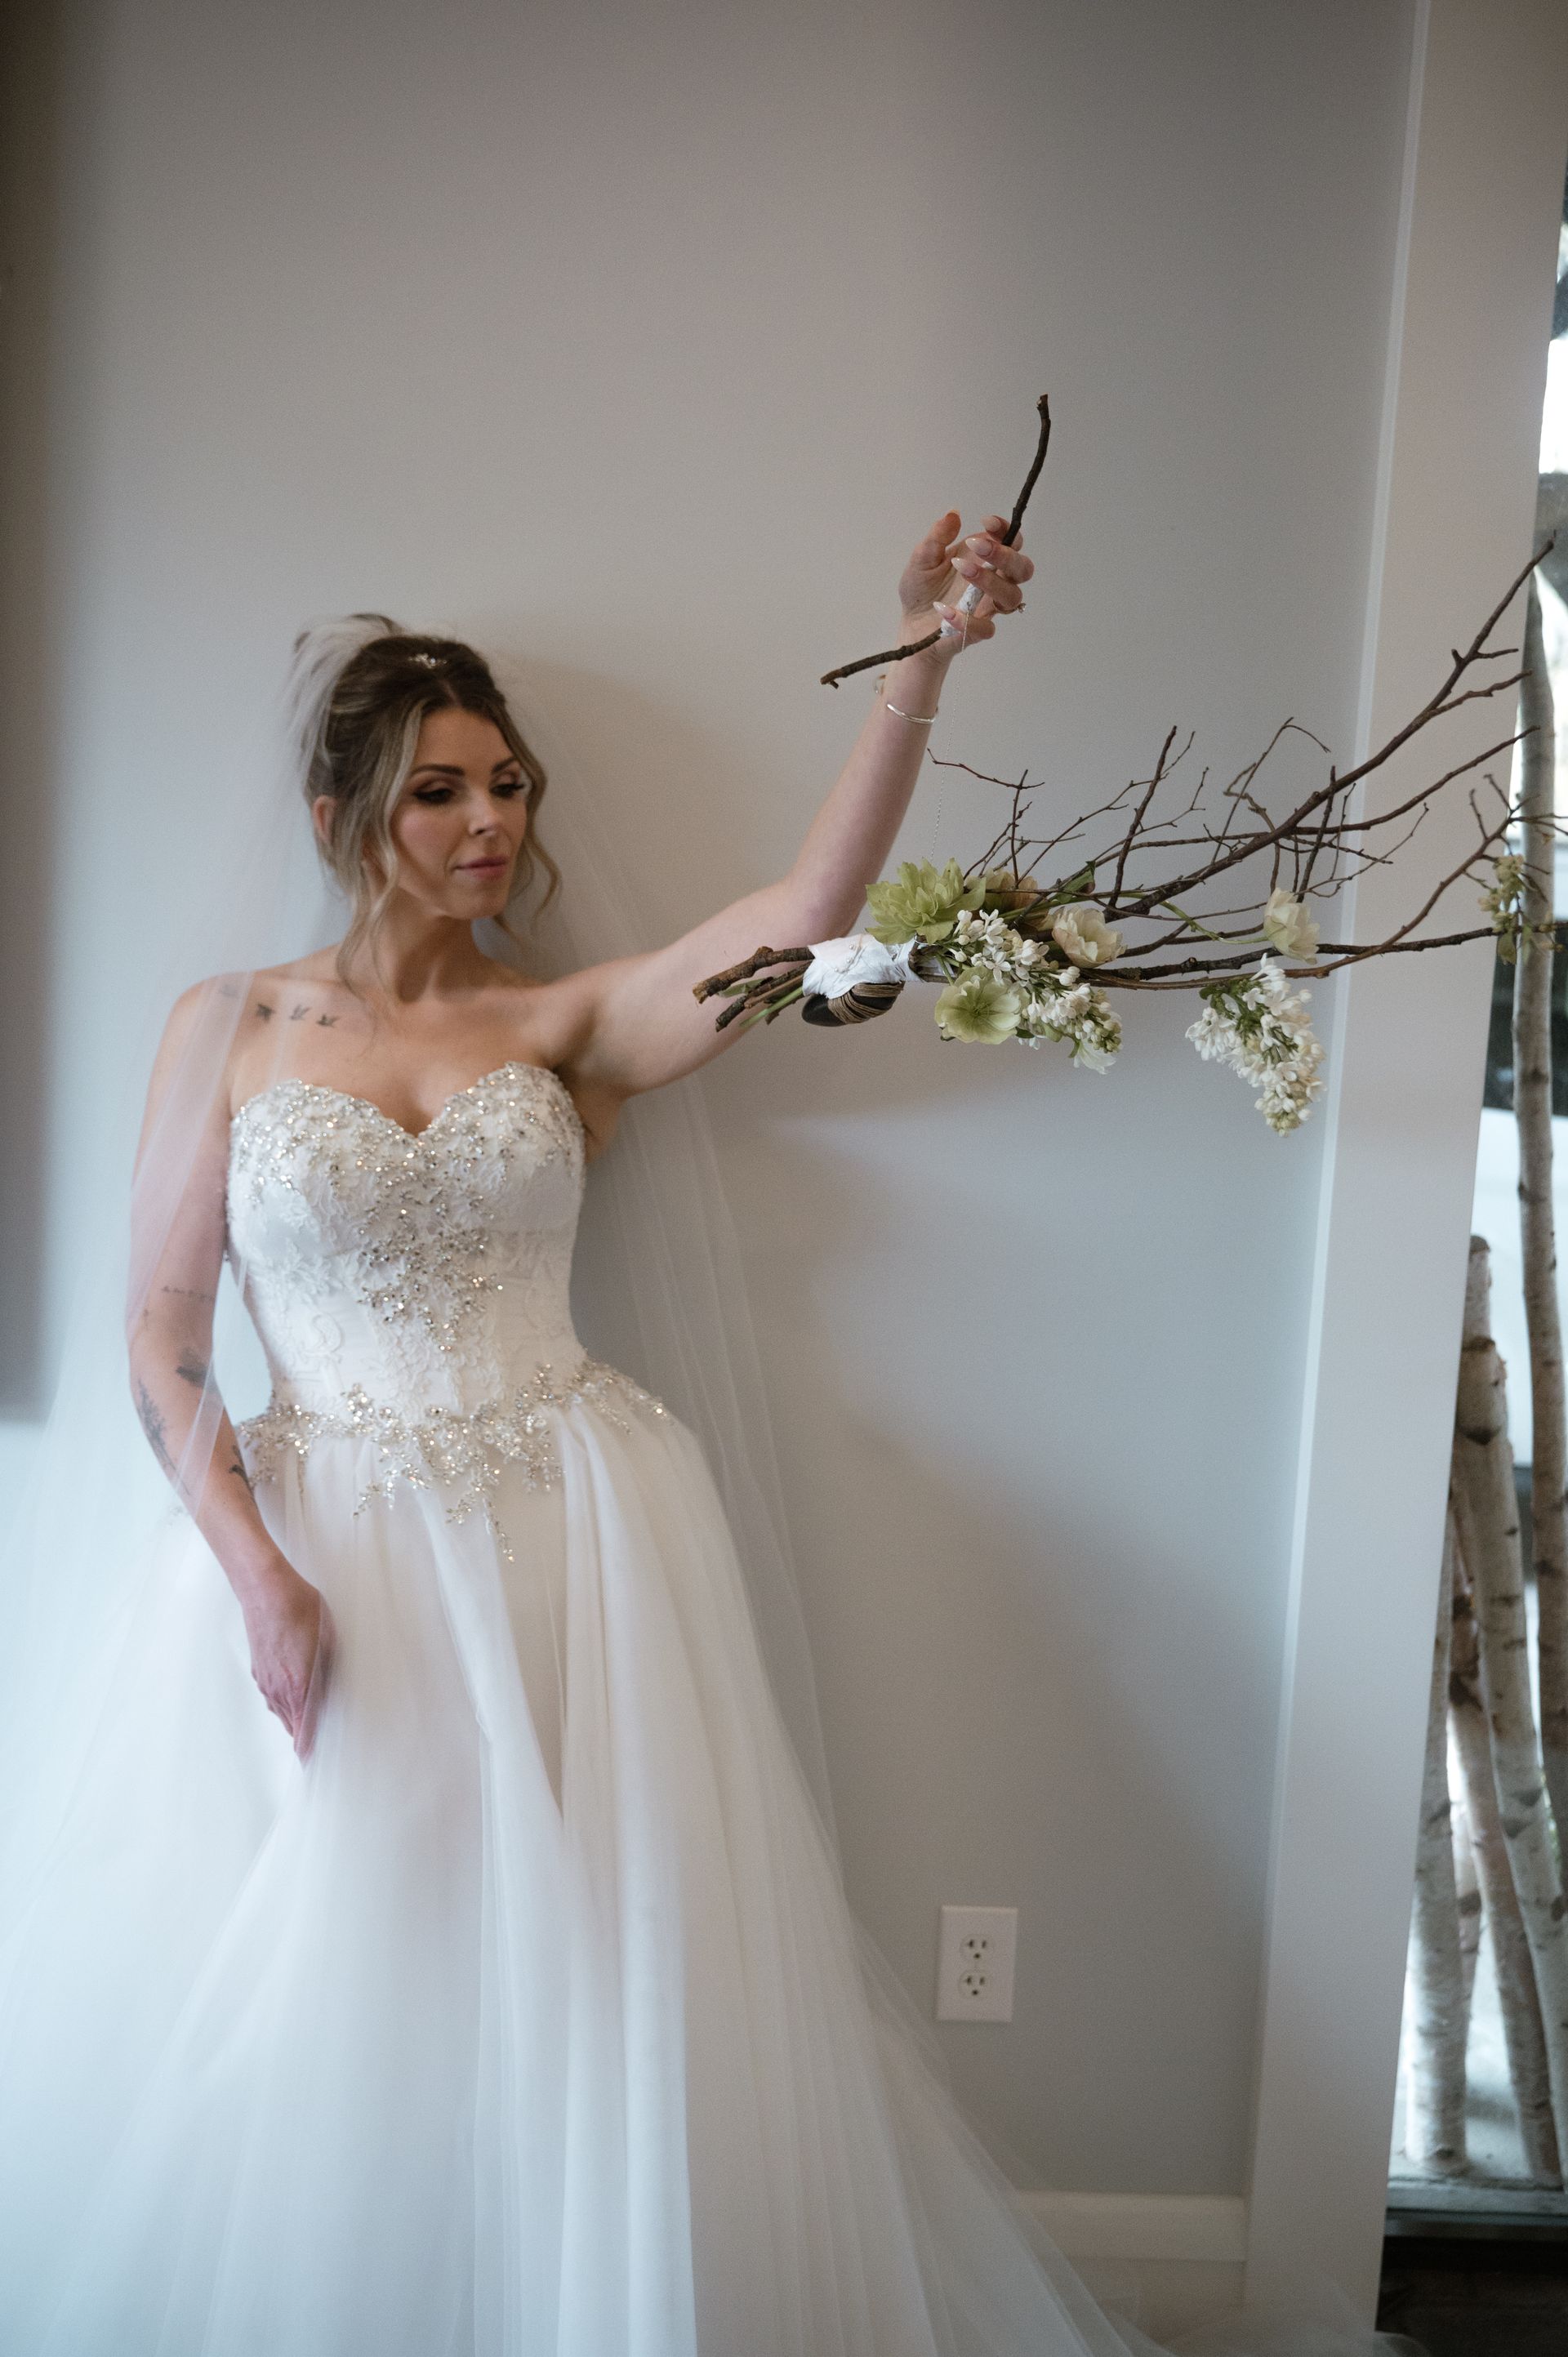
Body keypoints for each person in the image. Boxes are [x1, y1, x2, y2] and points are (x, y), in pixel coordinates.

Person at [0, 515, 1410, 2357]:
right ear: (350, 811)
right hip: (324, 1547)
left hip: (570, 1541)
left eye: (508, 784)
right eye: (440, 792)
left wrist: (923, 659)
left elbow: (806, 925)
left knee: (583, 1980)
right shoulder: (234, 1025)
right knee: (338, 1985)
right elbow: (161, 1340)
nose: (489, 822)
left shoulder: (569, 1019)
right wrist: (261, 1577)